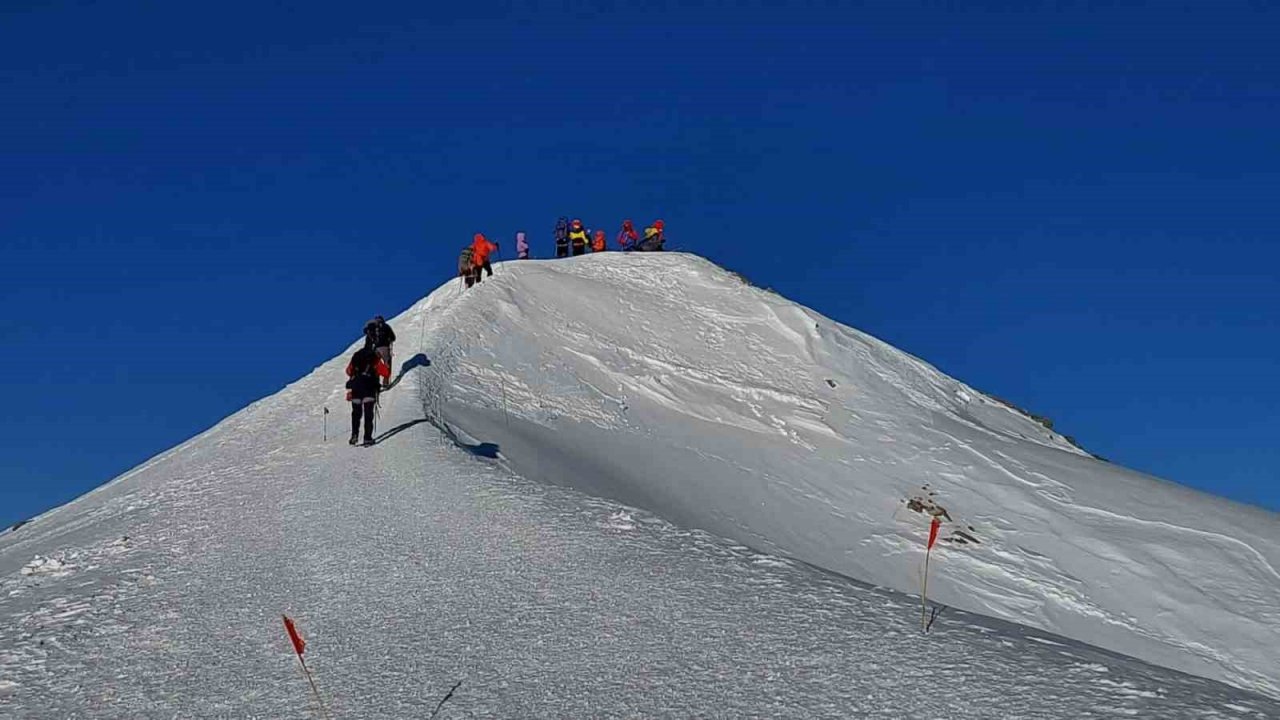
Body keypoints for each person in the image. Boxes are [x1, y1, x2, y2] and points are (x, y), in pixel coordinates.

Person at [345, 345, 390, 446]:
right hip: (369, 389)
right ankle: (367, 438)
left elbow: (348, 371)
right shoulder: (374, 359)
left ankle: (354, 435)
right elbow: (385, 373)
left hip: (356, 388)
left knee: (356, 414)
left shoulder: (356, 358)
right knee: (368, 414)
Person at [363, 315, 397, 388]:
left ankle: (375, 384)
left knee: (377, 366)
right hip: (385, 347)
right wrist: (389, 339)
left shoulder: (372, 328)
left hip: (375, 349)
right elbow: (393, 337)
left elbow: (368, 342)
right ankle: (385, 382)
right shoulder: (385, 326)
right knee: (387, 364)